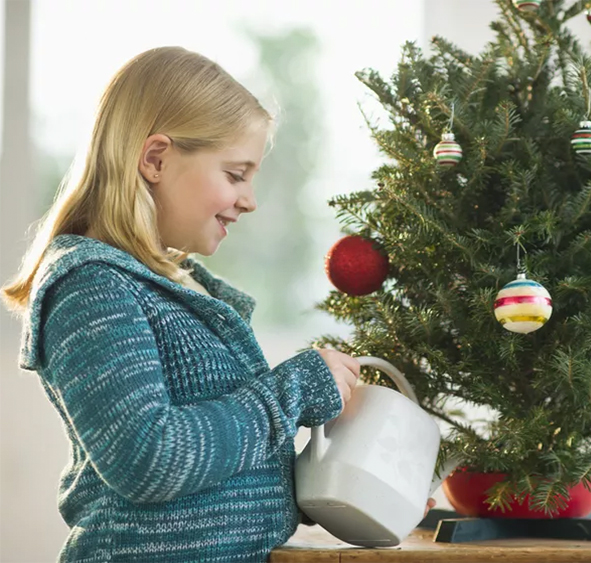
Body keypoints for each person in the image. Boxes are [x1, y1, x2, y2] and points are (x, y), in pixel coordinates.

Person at [1, 46, 434, 563]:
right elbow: (149, 459)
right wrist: (289, 392)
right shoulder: (93, 288)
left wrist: (351, 481)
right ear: (155, 159)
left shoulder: (183, 290)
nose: (250, 199)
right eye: (235, 174)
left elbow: (218, 473)